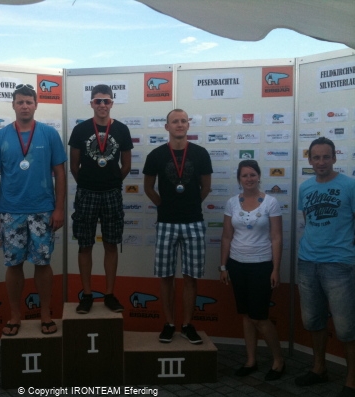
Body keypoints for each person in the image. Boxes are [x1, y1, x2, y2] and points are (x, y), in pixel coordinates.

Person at [0, 83, 66, 337]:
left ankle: (45, 314)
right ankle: (15, 315)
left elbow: (60, 173)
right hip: (10, 211)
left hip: (43, 210)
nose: (24, 106)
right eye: (20, 102)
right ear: (13, 105)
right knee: (14, 264)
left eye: (29, 102)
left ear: (36, 105)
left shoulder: (49, 134)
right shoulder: (0, 136)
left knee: (43, 263)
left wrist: (59, 208)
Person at [143, 108, 212, 344]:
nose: (179, 124)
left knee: (191, 277)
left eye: (183, 121)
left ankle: (188, 325)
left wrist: (191, 205)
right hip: (166, 223)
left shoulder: (201, 153)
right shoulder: (156, 155)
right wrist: (163, 206)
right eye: (175, 121)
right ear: (167, 127)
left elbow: (206, 187)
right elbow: (148, 187)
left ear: (188, 125)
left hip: (194, 222)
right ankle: (170, 324)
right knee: (166, 276)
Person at [296, 137, 355, 397]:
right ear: (310, 160)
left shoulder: (350, 186)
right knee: (313, 321)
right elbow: (308, 220)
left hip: (339, 265)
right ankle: (319, 369)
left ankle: (352, 381)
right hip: (307, 262)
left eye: (326, 157)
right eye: (316, 157)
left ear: (334, 158)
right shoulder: (305, 187)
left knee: (346, 328)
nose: (321, 162)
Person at [68, 83, 133, 314]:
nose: (102, 105)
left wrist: (112, 182)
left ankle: (109, 294)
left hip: (112, 193)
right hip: (86, 193)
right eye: (98, 101)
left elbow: (126, 165)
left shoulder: (122, 130)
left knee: (111, 244)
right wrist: (89, 183)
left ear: (112, 103)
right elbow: (74, 166)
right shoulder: (81, 129)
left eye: (106, 100)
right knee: (85, 245)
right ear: (92, 103)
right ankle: (87, 295)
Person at [220, 160, 284, 380]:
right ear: (239, 179)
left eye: (252, 174)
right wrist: (223, 266)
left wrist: (276, 269)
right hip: (237, 265)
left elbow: (276, 238)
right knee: (247, 316)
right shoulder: (231, 203)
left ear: (259, 176)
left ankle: (278, 360)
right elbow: (226, 237)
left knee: (260, 318)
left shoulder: (271, 202)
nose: (249, 179)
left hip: (262, 265)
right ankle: (251, 361)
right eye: (245, 175)